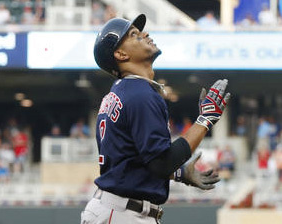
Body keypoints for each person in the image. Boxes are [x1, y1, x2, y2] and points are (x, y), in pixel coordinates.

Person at [81, 14, 230, 224]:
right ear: (121, 54)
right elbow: (161, 164)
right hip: (123, 213)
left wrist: (179, 173)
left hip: (115, 209)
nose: (145, 34)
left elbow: (133, 162)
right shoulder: (140, 94)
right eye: (134, 35)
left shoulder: (123, 92)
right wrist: (205, 120)